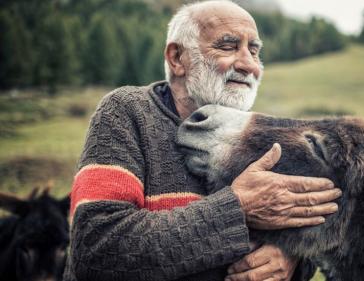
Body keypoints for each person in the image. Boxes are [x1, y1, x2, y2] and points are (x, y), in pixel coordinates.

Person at [64, 1, 342, 280]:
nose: (249, 65)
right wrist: (237, 207)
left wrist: (291, 259)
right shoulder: (127, 111)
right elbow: (97, 250)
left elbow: (308, 234)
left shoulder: (259, 135)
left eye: (254, 50)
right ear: (177, 58)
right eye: (228, 46)